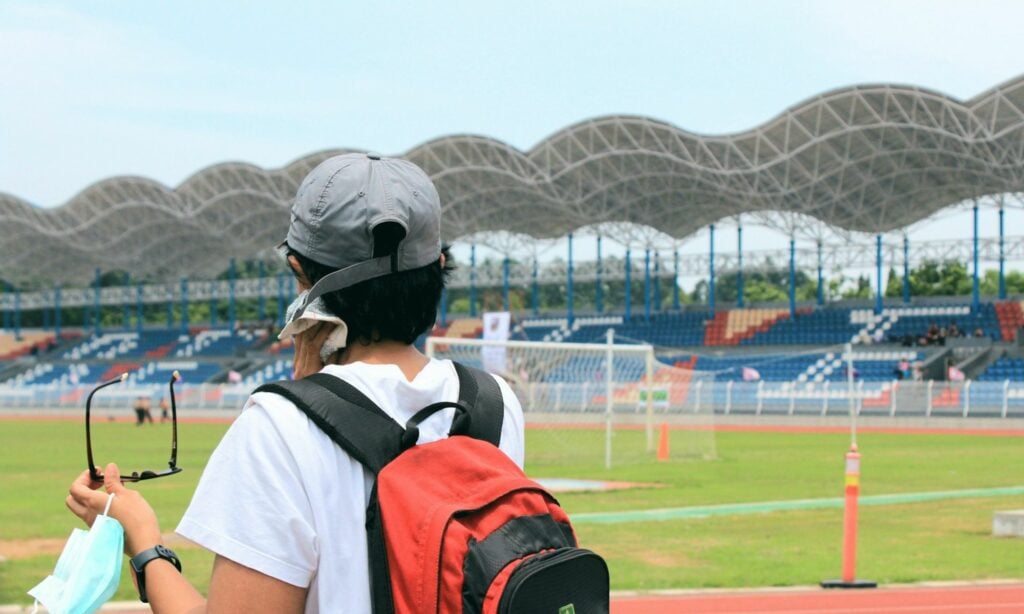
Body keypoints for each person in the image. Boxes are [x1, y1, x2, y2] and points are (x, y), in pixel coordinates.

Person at [65, 153, 526, 612]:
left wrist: (145, 545)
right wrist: (311, 393)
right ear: (438, 267)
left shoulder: (277, 427)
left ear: (300, 275)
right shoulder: (493, 402)